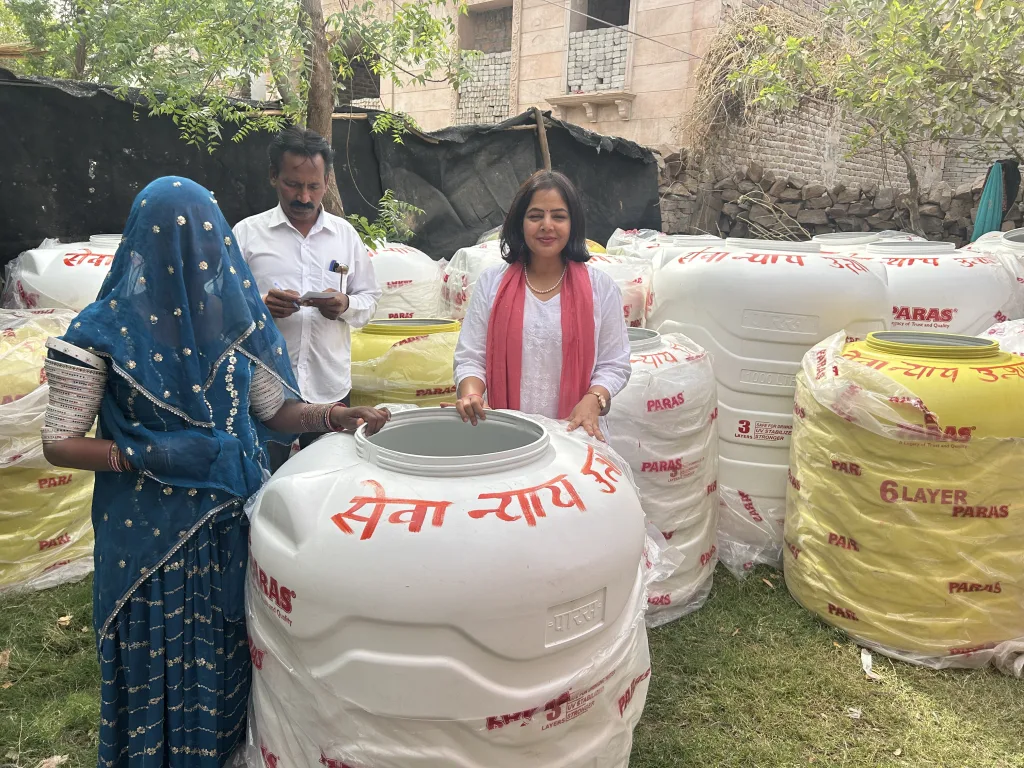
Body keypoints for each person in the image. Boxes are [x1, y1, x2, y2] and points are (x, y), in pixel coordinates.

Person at [40, 177, 390, 768]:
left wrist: (333, 415)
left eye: (203, 241)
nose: (191, 256)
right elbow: (59, 444)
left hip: (232, 530)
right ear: (142, 244)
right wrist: (141, 454)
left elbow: (276, 414)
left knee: (229, 655)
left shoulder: (232, 328)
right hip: (150, 544)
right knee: (159, 658)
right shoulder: (100, 334)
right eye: (173, 241)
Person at [233, 126, 381, 471]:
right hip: (265, 389)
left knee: (327, 480)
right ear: (274, 176)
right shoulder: (247, 235)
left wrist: (345, 305)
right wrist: (260, 307)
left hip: (329, 385)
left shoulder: (343, 236)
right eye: (293, 184)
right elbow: (221, 310)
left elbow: (370, 299)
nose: (304, 197)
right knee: (261, 482)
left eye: (313, 186)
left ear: (326, 182)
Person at [452, 171, 630, 442]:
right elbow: (470, 357)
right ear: (520, 223)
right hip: (504, 434)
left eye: (558, 216)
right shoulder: (492, 284)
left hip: (577, 433)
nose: (547, 225)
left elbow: (614, 363)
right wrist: (472, 395)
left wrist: (594, 400)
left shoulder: (600, 288)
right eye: (535, 216)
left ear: (573, 224)